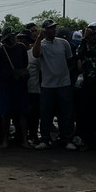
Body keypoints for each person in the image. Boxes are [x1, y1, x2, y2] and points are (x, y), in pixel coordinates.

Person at [33, 19, 75, 150]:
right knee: (46, 114)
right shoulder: (42, 44)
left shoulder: (63, 43)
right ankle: (45, 139)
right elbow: (35, 54)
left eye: (54, 27)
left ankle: (67, 139)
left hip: (63, 84)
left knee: (66, 114)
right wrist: (39, 38)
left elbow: (70, 61)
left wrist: (64, 75)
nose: (53, 30)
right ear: (45, 30)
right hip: (47, 85)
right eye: (50, 28)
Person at [0, 28, 30, 148]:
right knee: (5, 115)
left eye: (14, 35)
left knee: (22, 114)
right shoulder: (0, 51)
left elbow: (25, 65)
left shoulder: (21, 48)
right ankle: (5, 139)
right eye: (11, 36)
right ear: (6, 39)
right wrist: (11, 74)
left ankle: (25, 140)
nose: (14, 38)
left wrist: (21, 73)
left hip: (20, 86)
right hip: (6, 87)